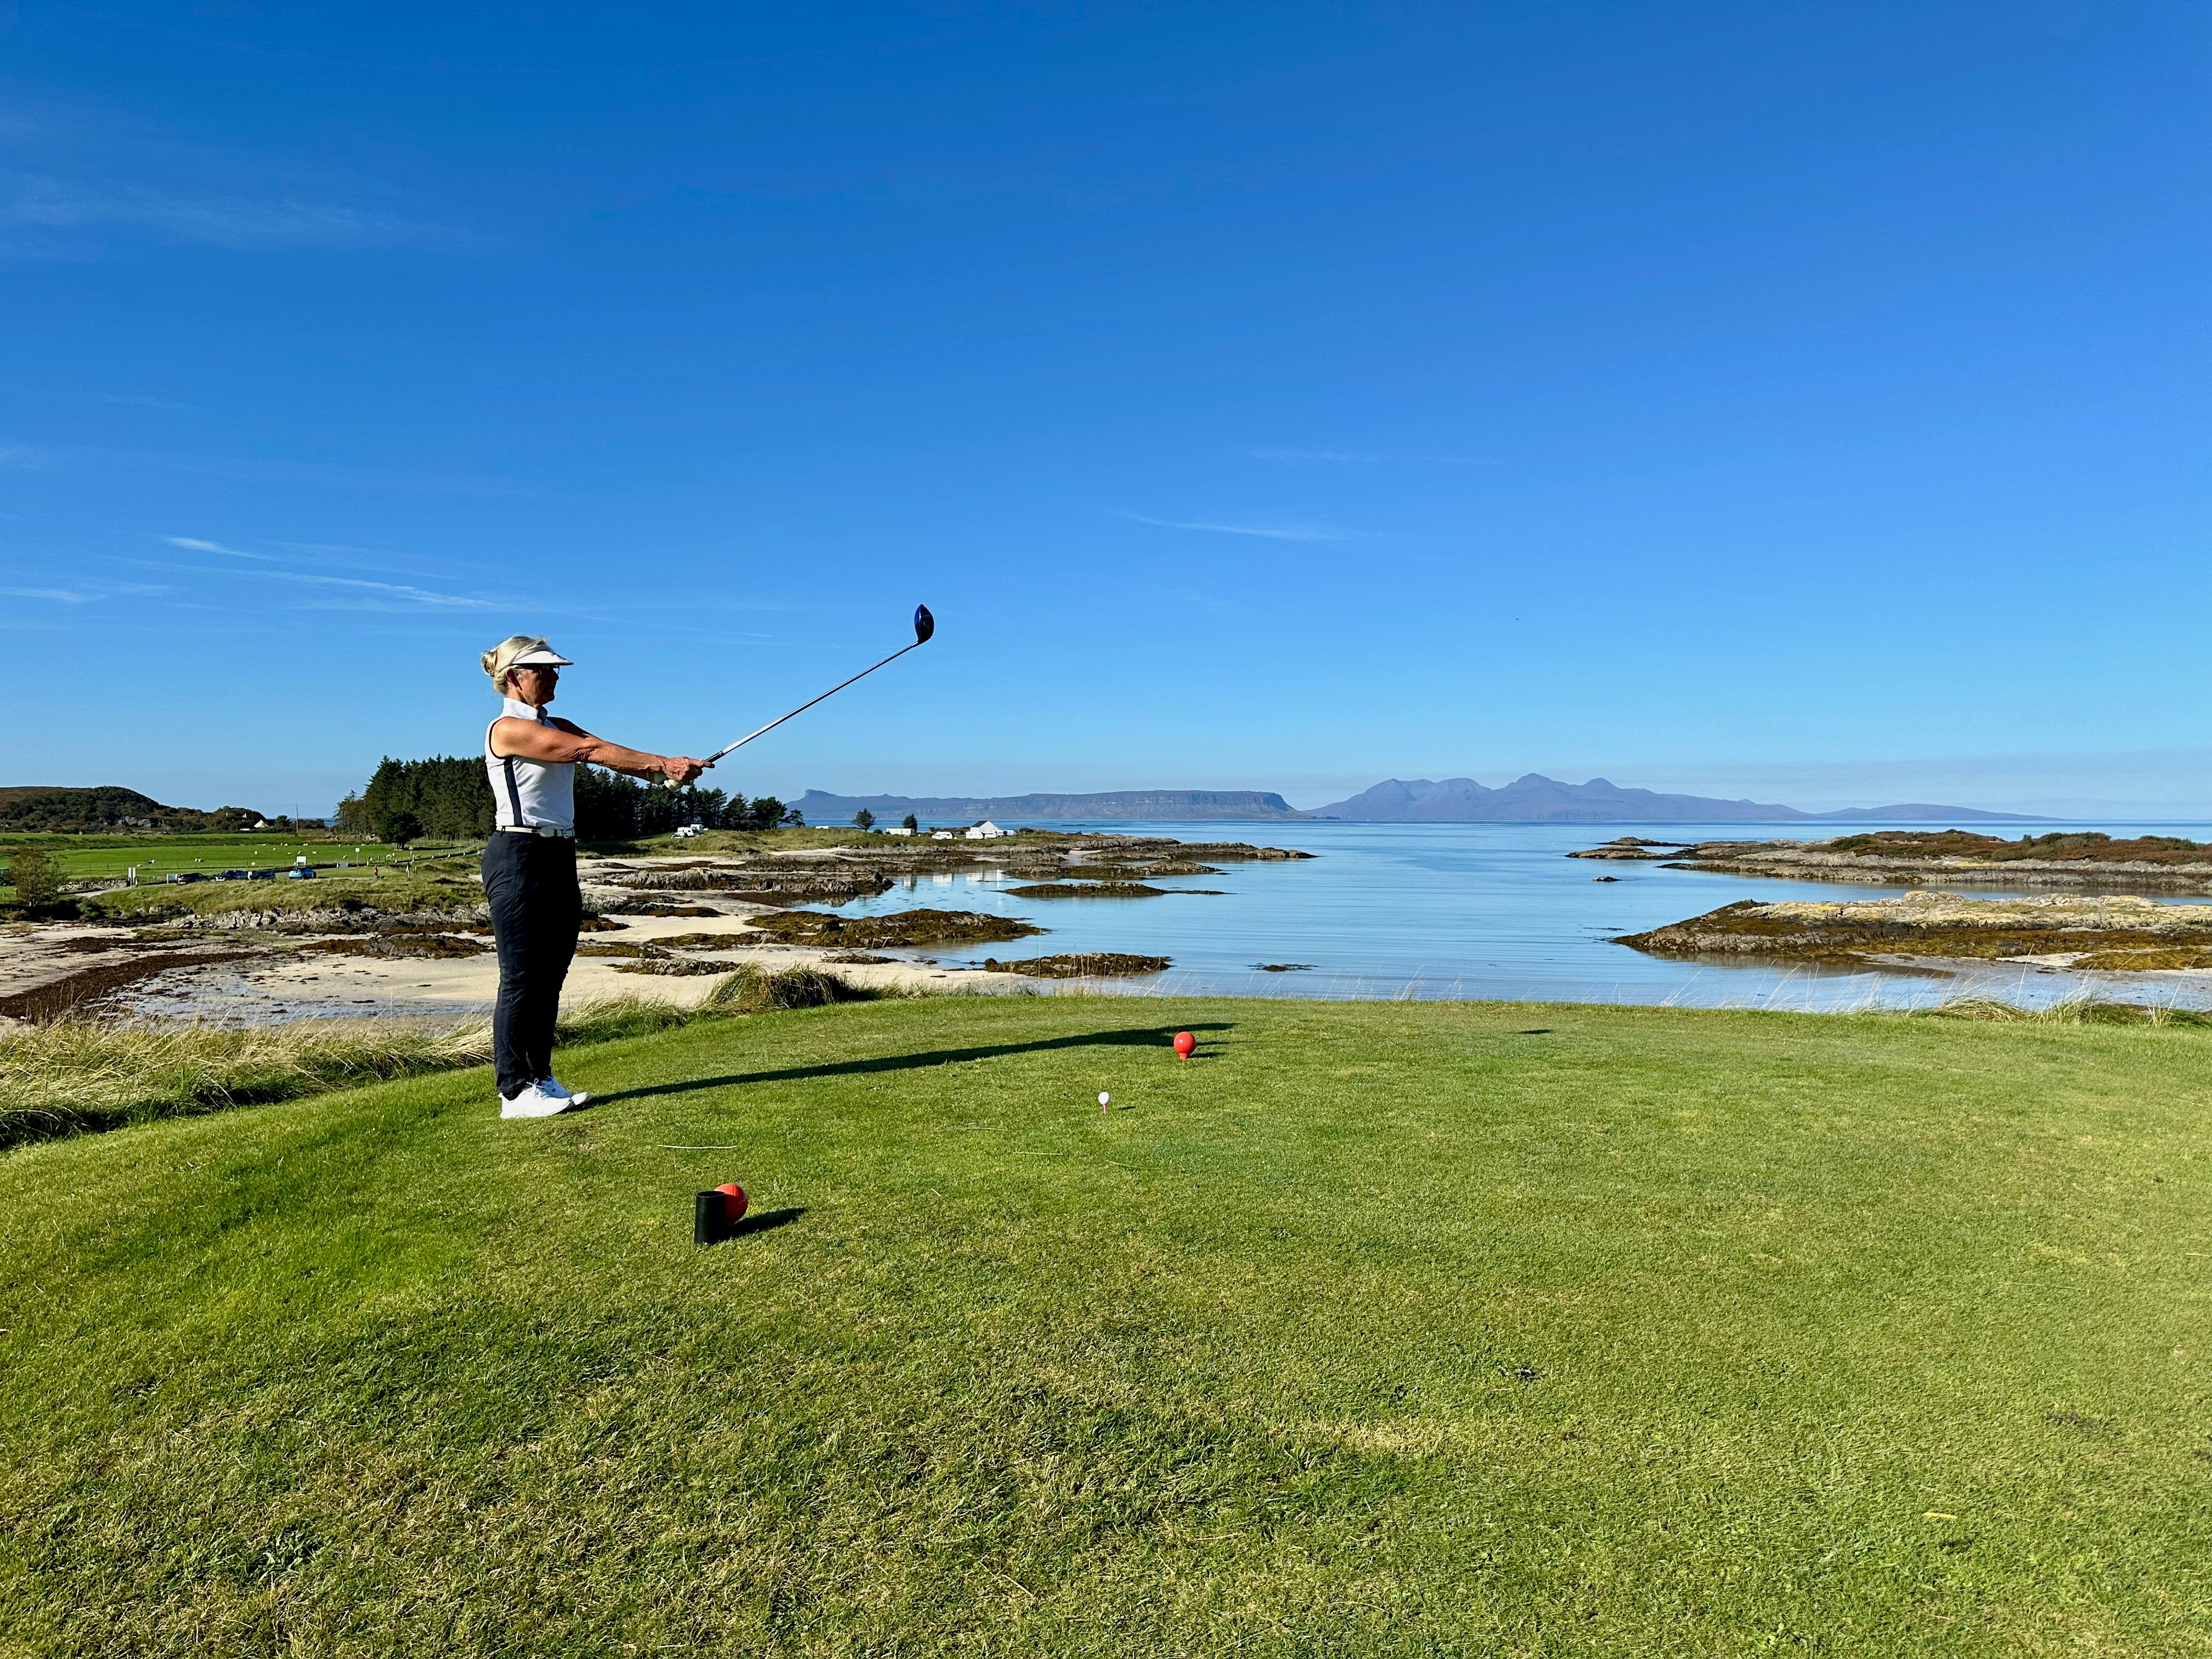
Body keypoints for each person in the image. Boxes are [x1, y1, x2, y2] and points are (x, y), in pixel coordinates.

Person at [478, 636, 707, 1119]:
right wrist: (662, 763)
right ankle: (514, 1091)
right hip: (518, 852)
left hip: (559, 852)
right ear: (516, 676)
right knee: (522, 976)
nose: (556, 676)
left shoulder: (556, 722)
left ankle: (540, 1076)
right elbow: (586, 752)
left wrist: (668, 772)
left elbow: (606, 750)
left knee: (552, 973)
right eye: (545, 669)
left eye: (557, 669)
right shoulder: (507, 729)